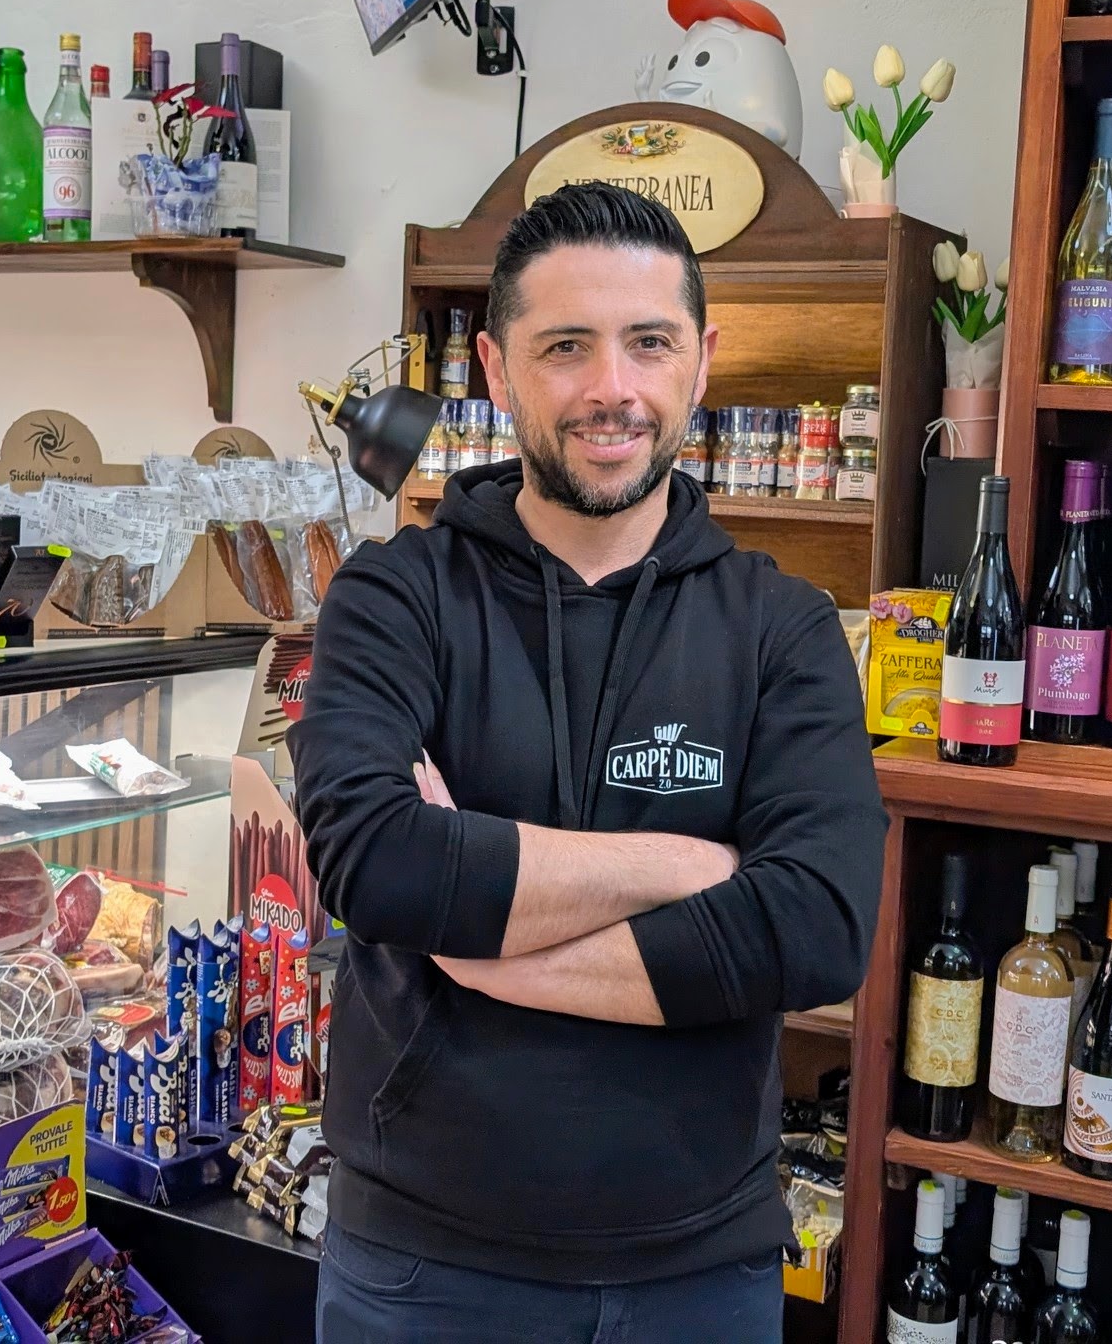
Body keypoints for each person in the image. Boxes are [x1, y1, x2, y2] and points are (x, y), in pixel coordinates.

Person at [291, 181, 885, 1341]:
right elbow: (378, 866)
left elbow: (817, 929)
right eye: (565, 347)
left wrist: (486, 955)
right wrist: (693, 865)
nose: (610, 389)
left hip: (699, 1276)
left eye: (647, 343)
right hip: (420, 1269)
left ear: (699, 363)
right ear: (497, 369)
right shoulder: (392, 596)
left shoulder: (783, 627)